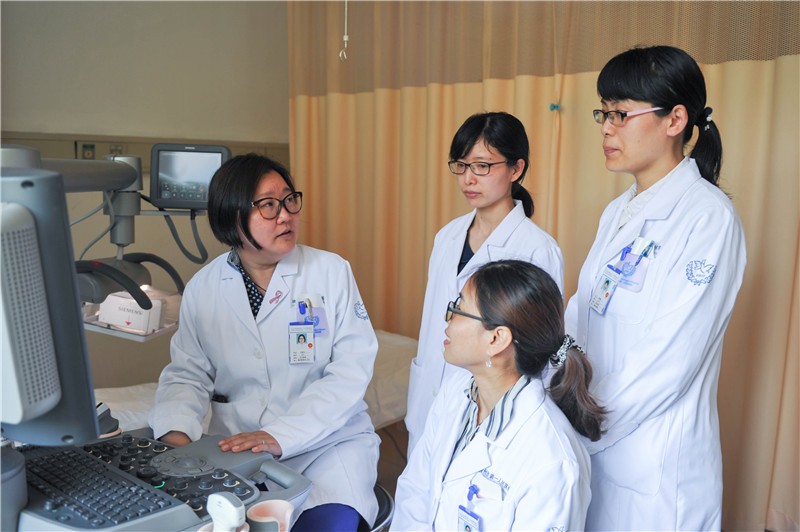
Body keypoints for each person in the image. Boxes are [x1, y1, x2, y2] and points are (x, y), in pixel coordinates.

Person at [564, 45, 746, 530]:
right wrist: (556, 395)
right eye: (603, 113)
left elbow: (670, 359)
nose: (606, 128)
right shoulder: (619, 212)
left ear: (675, 120)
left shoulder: (707, 219)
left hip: (656, 470)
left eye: (621, 114)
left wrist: (584, 425)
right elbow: (580, 314)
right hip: (596, 447)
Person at [149, 154, 380, 530]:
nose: (286, 215)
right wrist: (176, 432)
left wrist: (279, 435)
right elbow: (188, 373)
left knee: (330, 523)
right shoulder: (204, 288)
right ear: (232, 217)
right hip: (238, 451)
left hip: (327, 446)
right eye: (269, 206)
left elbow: (350, 371)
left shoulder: (330, 272)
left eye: (289, 200)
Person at [392, 260, 605, 531]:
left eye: (459, 308)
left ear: (496, 339)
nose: (448, 318)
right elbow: (415, 492)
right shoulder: (454, 393)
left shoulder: (552, 460)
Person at [405, 111, 565, 454]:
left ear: (516, 169)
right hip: (429, 397)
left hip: (490, 409)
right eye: (461, 165)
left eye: (482, 166)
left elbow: (538, 348)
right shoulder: (448, 236)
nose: (468, 179)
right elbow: (432, 322)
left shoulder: (537, 249)